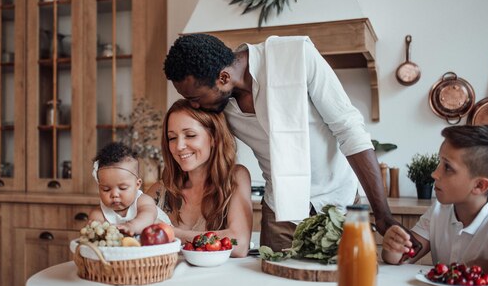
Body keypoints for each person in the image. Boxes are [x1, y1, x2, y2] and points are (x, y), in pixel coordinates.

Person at [163, 33, 405, 251]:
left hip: (337, 202)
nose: (194, 105)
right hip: (279, 212)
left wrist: (382, 215)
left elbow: (349, 129)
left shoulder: (296, 55)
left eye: (194, 98)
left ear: (223, 77)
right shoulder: (217, 103)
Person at [382, 125, 488, 286]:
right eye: (440, 162)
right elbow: (403, 257)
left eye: (447, 167)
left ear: (480, 185)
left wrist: (471, 266)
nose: (435, 174)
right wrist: (393, 249)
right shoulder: (438, 211)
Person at [146, 99, 253, 257]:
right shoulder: (160, 191)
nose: (179, 146)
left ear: (213, 138)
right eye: (172, 138)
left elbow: (239, 244)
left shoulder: (236, 177)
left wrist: (174, 234)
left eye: (190, 135)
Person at [89, 141, 171, 236]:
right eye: (106, 189)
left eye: (123, 188)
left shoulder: (143, 201)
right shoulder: (99, 213)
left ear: (137, 184)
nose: (114, 194)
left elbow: (147, 217)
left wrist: (131, 226)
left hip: (162, 238)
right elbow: (94, 230)